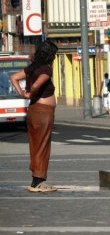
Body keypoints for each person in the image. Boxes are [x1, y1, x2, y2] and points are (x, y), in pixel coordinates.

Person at [10, 40, 58, 192]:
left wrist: (22, 93)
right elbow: (37, 85)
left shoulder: (32, 67)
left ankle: (35, 181)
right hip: (43, 111)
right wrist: (31, 93)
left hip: (33, 110)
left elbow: (14, 78)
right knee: (43, 145)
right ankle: (39, 182)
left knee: (36, 145)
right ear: (50, 55)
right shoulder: (46, 69)